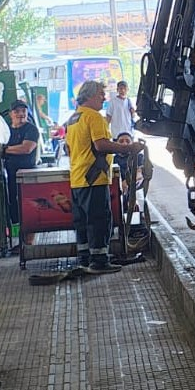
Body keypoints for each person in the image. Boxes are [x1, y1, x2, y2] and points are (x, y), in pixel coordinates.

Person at [65, 81, 146, 272]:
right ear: (91, 95)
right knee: (99, 220)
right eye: (101, 94)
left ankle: (85, 258)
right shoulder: (94, 117)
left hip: (77, 178)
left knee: (83, 222)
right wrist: (128, 148)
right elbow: (101, 145)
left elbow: (69, 148)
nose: (104, 97)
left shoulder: (73, 119)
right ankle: (99, 260)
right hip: (94, 178)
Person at [1, 100, 41, 240]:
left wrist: (4, 150)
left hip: (27, 174)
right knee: (13, 205)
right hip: (9, 174)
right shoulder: (6, 131)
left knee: (28, 206)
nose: (20, 114)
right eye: (17, 111)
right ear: (11, 114)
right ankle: (17, 239)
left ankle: (28, 241)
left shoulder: (31, 129)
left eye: (23, 111)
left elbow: (26, 148)